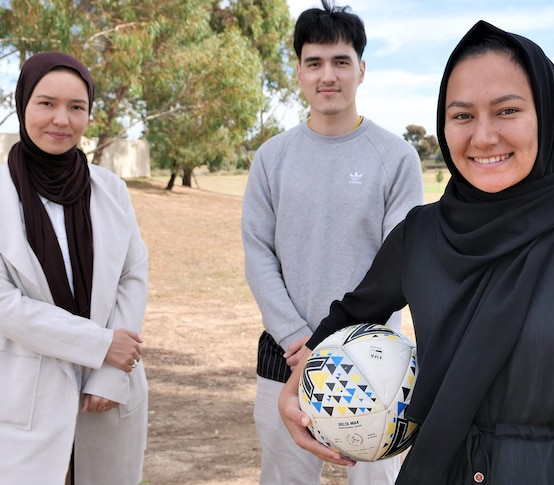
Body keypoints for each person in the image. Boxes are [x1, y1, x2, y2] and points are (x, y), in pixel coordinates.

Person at [278, 20, 554, 484]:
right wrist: (293, 389)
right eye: (462, 116)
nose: (483, 136)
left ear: (547, 114)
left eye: (507, 110)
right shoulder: (422, 232)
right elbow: (352, 314)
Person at [240, 1, 424, 483]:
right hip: (285, 354)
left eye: (341, 61)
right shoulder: (271, 158)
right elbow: (258, 253)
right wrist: (301, 342)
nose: (328, 75)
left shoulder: (396, 157)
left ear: (361, 69)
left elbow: (399, 260)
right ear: (298, 72)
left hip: (373, 365)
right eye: (314, 62)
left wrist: (335, 348)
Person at [0, 52, 148, 484]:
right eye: (46, 103)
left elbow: (132, 276)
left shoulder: (111, 189)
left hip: (108, 391)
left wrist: (109, 371)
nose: (61, 119)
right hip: (20, 397)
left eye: (76, 107)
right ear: (22, 103)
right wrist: (101, 345)